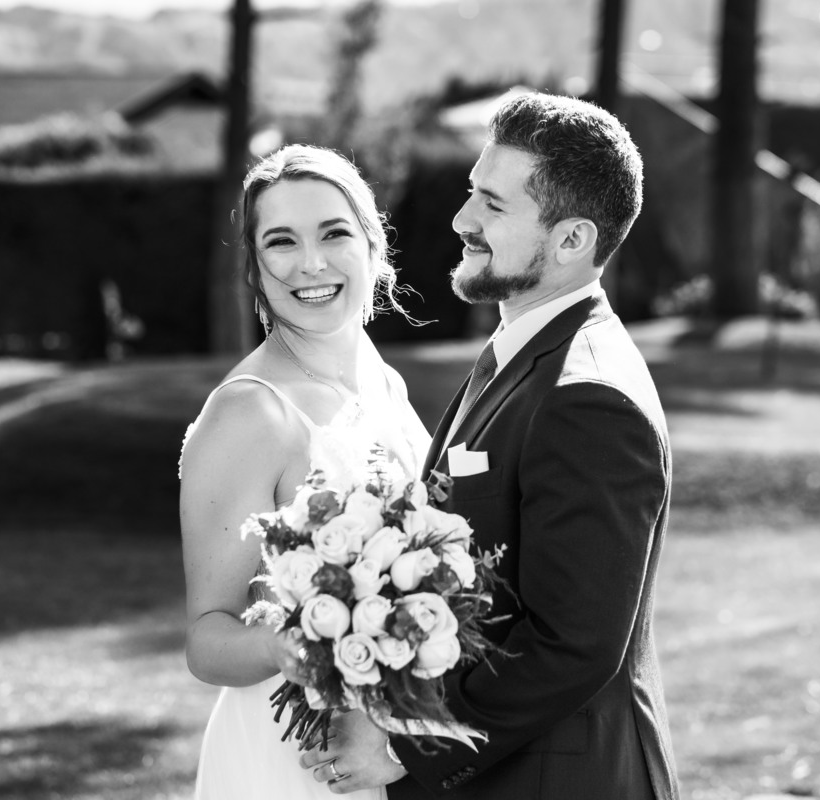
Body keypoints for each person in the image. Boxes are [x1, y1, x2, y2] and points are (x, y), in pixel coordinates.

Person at [300, 93, 680, 799]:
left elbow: (573, 643)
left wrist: (411, 743)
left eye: (493, 205)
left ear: (572, 240)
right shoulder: (525, 351)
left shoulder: (587, 399)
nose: (462, 219)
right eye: (473, 190)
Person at [179, 144, 432, 799]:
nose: (312, 263)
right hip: (292, 760)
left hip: (387, 746)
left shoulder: (385, 382)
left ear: (373, 244)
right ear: (255, 268)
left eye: (334, 233)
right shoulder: (251, 412)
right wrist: (287, 647)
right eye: (282, 241)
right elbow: (206, 637)